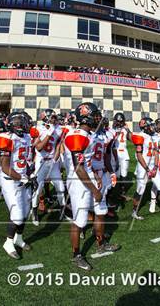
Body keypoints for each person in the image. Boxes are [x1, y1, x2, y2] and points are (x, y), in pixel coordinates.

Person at [64, 103, 120, 271]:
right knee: (79, 220)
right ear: (86, 117)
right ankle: (76, 255)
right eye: (95, 116)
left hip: (90, 178)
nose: (98, 119)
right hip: (78, 182)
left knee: (101, 211)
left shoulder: (89, 134)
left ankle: (101, 244)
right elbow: (78, 168)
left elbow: (87, 163)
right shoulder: (76, 135)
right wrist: (94, 190)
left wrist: (97, 175)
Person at [0, 112, 33, 259]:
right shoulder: (6, 138)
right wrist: (22, 177)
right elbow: (5, 167)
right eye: (20, 122)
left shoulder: (27, 138)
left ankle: (19, 238)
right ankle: (8, 242)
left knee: (25, 212)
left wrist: (30, 173)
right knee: (17, 214)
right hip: (10, 180)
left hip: (22, 177)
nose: (24, 125)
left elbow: (26, 160)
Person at [31, 109, 66, 226]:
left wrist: (55, 159)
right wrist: (48, 133)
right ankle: (34, 211)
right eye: (52, 117)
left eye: (55, 117)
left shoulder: (59, 129)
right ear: (46, 118)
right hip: (41, 162)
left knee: (60, 187)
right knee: (38, 189)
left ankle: (63, 210)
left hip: (52, 162)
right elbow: (39, 147)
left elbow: (57, 146)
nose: (55, 119)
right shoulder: (38, 129)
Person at [131, 117, 159, 220]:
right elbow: (139, 156)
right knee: (141, 189)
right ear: (145, 127)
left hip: (152, 165)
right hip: (143, 166)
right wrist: (147, 169)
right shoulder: (140, 136)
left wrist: (155, 167)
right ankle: (134, 211)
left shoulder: (154, 136)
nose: (153, 128)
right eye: (150, 126)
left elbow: (156, 152)